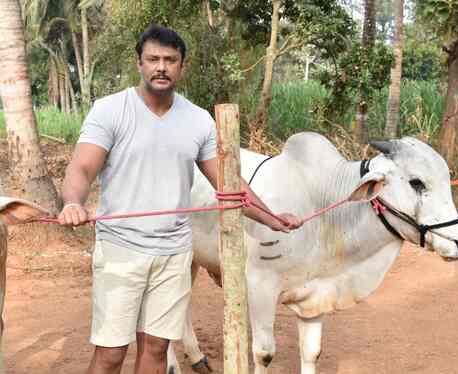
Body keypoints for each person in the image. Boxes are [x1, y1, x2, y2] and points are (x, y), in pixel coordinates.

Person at [58, 24, 302, 374]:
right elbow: (81, 169)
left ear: (181, 66)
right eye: (153, 59)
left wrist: (274, 218)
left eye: (170, 60)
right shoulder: (110, 110)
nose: (161, 67)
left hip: (173, 253)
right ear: (139, 64)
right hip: (120, 251)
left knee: (156, 351)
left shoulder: (198, 120)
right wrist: (73, 202)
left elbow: (231, 185)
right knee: (111, 354)